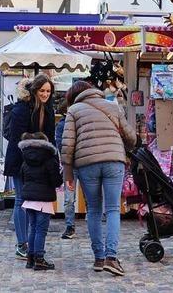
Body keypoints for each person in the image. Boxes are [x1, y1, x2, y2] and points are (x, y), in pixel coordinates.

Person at [61, 81, 136, 276]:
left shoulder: (74, 110)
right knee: (112, 210)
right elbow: (132, 138)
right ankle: (112, 257)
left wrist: (68, 173)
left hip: (87, 163)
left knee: (93, 209)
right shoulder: (112, 106)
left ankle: (99, 258)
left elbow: (68, 144)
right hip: (113, 160)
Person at [4, 75, 56, 259]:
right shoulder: (21, 110)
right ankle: (21, 243)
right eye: (42, 90)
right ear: (34, 91)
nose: (45, 94)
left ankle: (31, 242)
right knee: (21, 200)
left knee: (33, 201)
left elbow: (51, 139)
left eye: (48, 91)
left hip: (39, 162)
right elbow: (17, 139)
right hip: (19, 160)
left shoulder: (49, 110)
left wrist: (51, 159)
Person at [20, 132, 63, 270]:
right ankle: (39, 258)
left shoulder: (25, 159)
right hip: (44, 199)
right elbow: (56, 180)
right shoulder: (50, 160)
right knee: (41, 230)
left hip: (29, 199)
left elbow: (22, 177)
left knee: (33, 228)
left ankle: (30, 258)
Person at [56, 100, 77, 240]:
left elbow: (59, 144)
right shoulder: (62, 125)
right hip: (73, 162)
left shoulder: (64, 124)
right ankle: (70, 226)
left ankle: (71, 226)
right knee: (70, 197)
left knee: (70, 198)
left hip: (71, 163)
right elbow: (59, 144)